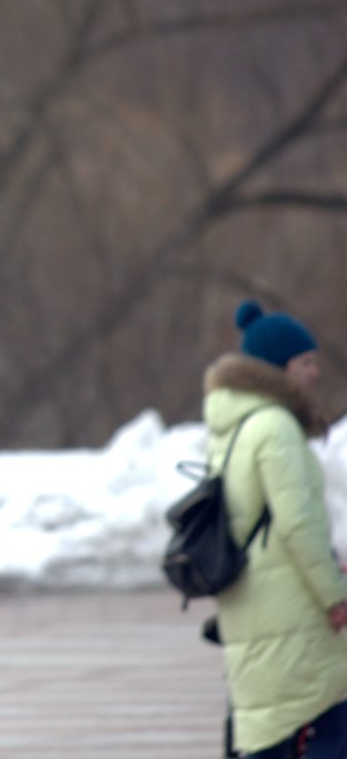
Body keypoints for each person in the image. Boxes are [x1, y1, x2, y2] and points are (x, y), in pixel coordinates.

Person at [203, 299, 347, 759]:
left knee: (275, 728)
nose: (314, 372)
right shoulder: (276, 426)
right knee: (331, 723)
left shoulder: (234, 424)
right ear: (278, 369)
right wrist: (334, 596)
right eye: (305, 362)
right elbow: (299, 524)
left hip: (255, 603)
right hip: (288, 608)